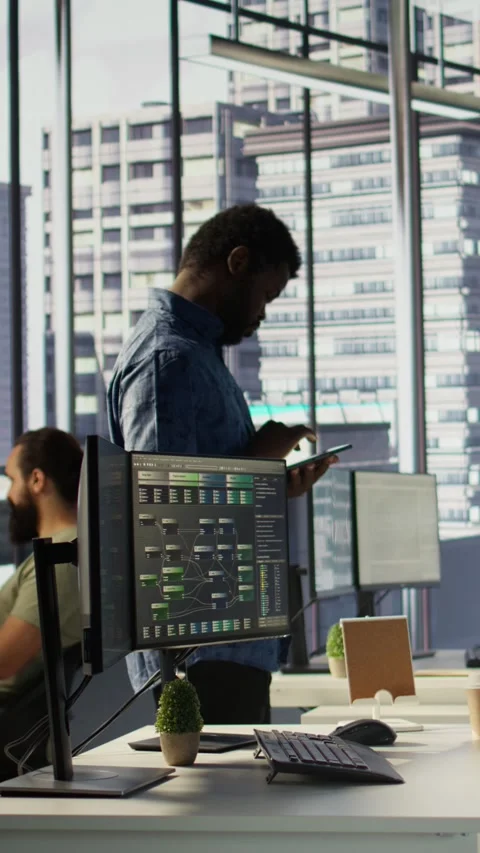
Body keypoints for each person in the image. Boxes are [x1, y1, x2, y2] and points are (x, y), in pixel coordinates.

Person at [107, 204, 337, 723]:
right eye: (266, 295)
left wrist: (271, 483)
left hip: (225, 649)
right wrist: (262, 456)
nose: (262, 313)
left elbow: (204, 480)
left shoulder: (194, 353)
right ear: (237, 262)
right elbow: (165, 511)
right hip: (201, 654)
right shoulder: (170, 359)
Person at [0, 427, 83, 708]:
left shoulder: (60, 559)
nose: (9, 494)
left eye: (12, 480)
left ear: (36, 479)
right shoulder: (67, 549)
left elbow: (4, 661)